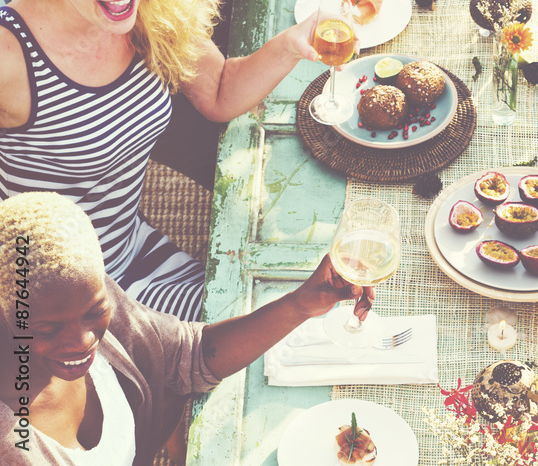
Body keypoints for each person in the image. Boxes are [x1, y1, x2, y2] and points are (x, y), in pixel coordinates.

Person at [0, 0, 328, 320]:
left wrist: (292, 45)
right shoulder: (10, 54)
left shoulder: (155, 3)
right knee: (241, 329)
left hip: (130, 247)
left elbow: (218, 93)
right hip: (55, 295)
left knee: (270, 304)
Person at [0, 191, 371, 466]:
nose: (83, 340)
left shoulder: (80, 297)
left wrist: (300, 305)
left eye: (94, 311)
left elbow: (187, 357)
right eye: (46, 330)